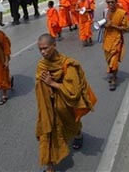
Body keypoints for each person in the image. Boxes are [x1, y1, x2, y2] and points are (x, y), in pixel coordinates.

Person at [35, 34, 96, 172]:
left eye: (45, 48)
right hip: (48, 107)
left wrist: (53, 84)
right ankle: (50, 168)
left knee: (73, 125)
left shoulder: (68, 65)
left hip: (65, 105)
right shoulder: (41, 65)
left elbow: (74, 92)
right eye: (40, 49)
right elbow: (40, 86)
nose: (43, 52)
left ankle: (78, 134)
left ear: (54, 45)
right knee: (48, 133)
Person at [103, 0, 129, 91]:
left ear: (116, 2)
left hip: (117, 40)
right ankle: (113, 72)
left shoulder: (121, 13)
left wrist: (113, 26)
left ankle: (113, 79)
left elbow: (127, 28)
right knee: (109, 60)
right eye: (108, 2)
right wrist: (104, 25)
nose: (110, 4)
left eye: (112, 2)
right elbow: (105, 24)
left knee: (114, 60)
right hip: (107, 39)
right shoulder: (106, 12)